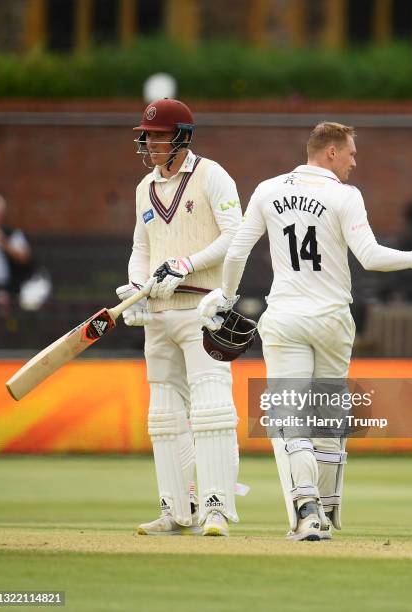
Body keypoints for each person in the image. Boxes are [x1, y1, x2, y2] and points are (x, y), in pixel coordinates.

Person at [198, 122, 412, 541]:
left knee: (290, 418)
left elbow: (236, 251)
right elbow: (371, 257)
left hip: (285, 317)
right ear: (330, 153)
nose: (355, 162)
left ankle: (307, 513)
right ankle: (322, 510)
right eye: (352, 154)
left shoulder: (268, 190)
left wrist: (226, 297)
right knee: (325, 414)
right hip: (332, 320)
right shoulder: (345, 196)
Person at [116, 98, 242, 537]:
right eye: (146, 136)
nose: (149, 143)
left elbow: (235, 236)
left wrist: (186, 265)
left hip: (204, 309)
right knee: (164, 415)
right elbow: (141, 249)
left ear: (182, 137)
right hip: (159, 313)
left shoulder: (212, 175)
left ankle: (216, 509)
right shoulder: (142, 188)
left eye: (157, 135)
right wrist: (136, 288)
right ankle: (176, 507)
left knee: (211, 410)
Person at [0, 193, 32, 315]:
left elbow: (24, 257)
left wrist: (2, 242)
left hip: (6, 287)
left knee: (2, 302)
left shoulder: (11, 233)